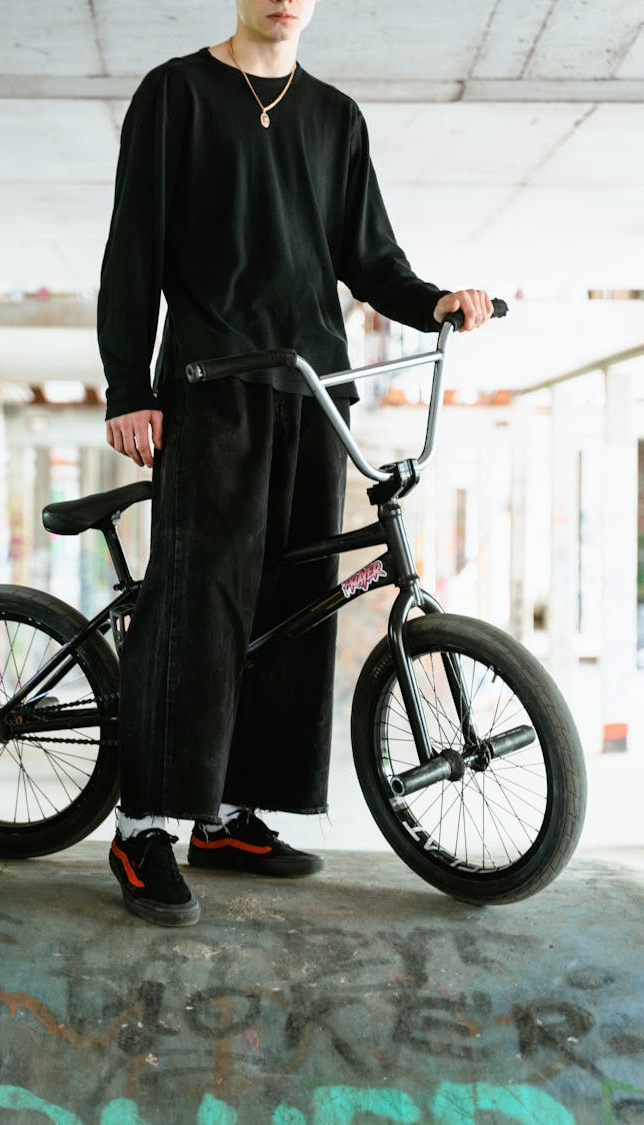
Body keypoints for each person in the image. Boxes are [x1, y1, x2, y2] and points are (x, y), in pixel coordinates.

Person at [97, 0, 493, 927]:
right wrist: (128, 387)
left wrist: (436, 300)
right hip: (211, 387)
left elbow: (369, 259)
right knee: (201, 600)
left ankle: (230, 816)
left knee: (295, 604)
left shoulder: (335, 117)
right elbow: (134, 249)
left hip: (315, 390)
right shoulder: (176, 95)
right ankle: (143, 824)